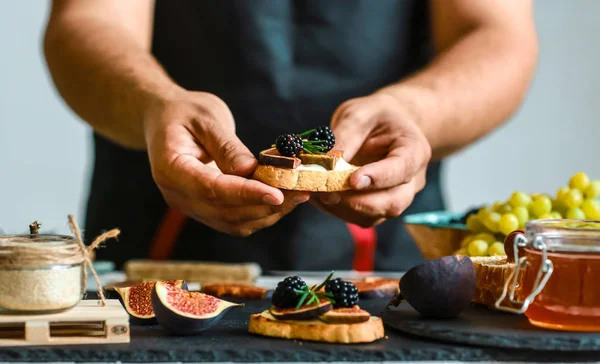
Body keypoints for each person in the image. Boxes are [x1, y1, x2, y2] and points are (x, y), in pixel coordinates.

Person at [43, 0, 538, 273]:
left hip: (388, 240)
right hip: (160, 224)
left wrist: (415, 110)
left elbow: (498, 34)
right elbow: (86, 19)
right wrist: (154, 104)